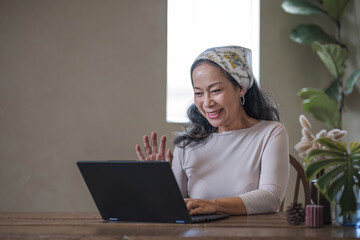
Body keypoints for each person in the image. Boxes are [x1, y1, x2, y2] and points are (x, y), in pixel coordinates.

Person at [135, 46, 289, 216]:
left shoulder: (270, 133)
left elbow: (270, 198)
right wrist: (158, 179)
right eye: (199, 93)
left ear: (241, 87)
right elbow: (174, 207)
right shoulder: (187, 145)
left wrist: (214, 205)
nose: (207, 102)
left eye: (215, 91)